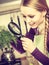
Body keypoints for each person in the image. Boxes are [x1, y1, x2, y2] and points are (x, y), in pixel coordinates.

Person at [20, 0, 49, 65]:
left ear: (44, 11)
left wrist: (34, 51)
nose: (27, 21)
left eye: (31, 16)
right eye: (24, 16)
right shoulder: (33, 30)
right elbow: (21, 50)